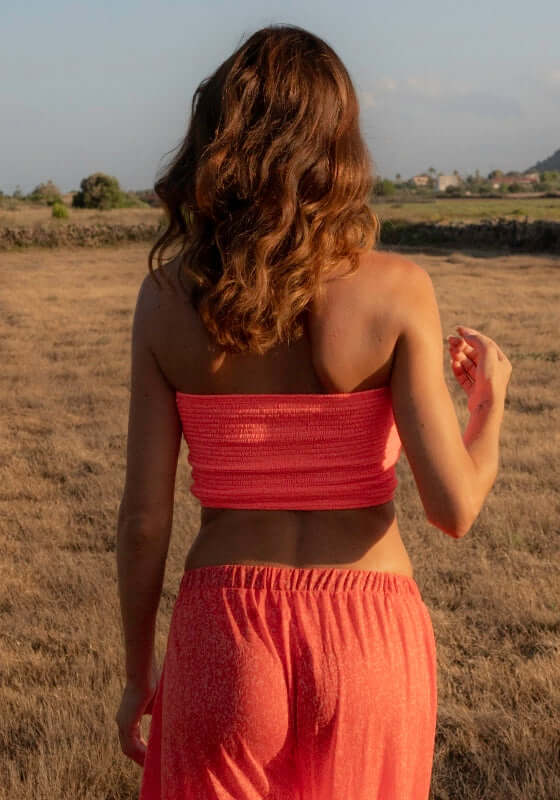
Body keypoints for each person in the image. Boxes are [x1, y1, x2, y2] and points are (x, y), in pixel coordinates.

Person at [114, 23, 512, 800]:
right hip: (368, 637)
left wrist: (138, 677)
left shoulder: (165, 302)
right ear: (339, 147)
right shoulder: (398, 291)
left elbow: (142, 522)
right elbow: (455, 508)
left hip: (225, 633)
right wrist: (489, 405)